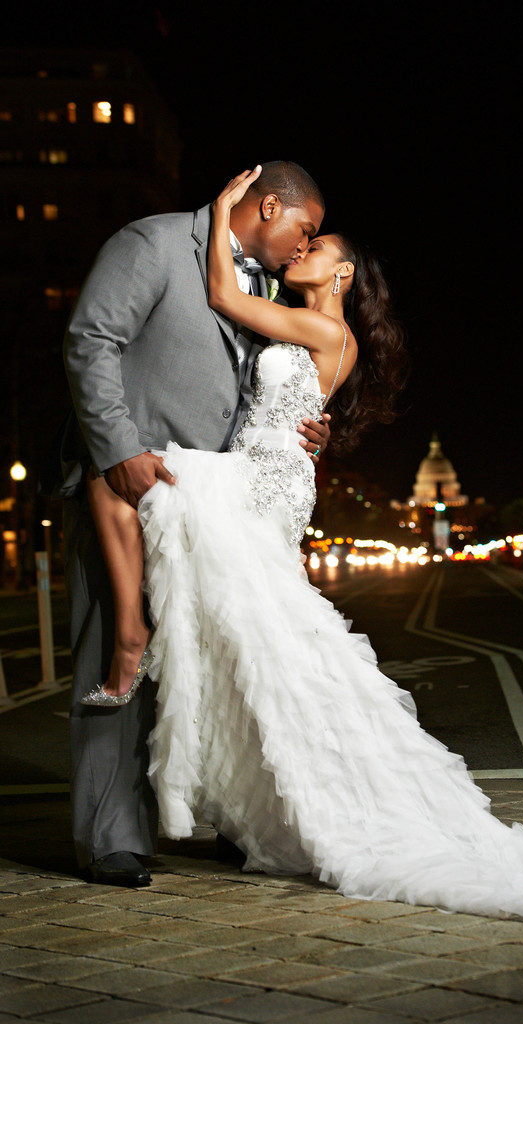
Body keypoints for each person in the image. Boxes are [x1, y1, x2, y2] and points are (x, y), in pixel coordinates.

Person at [112, 167, 523, 919]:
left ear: (342, 272)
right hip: (269, 472)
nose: (302, 250)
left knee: (145, 502)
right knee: (267, 632)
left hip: (263, 480)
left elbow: (221, 296)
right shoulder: (299, 317)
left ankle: (133, 640)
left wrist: (221, 210)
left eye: (317, 248)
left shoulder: (322, 326)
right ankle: (272, 775)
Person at [62, 160, 329, 888]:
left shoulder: (267, 286)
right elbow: (91, 341)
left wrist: (301, 430)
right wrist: (119, 452)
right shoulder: (151, 243)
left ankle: (230, 817)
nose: (304, 247)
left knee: (217, 665)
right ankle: (110, 833)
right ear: (268, 206)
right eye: (302, 230)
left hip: (221, 505)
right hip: (133, 489)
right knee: (124, 651)